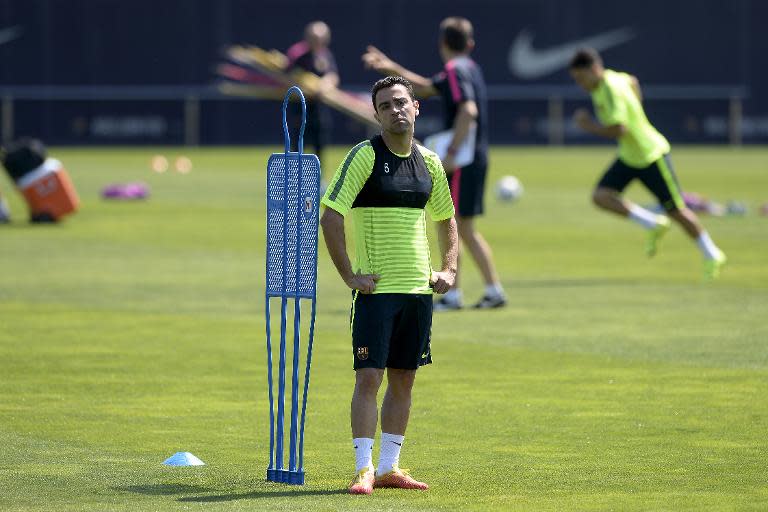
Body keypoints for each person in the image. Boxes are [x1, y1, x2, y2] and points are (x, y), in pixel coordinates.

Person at [320, 76, 458, 495]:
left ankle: (389, 467)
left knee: (404, 380)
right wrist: (349, 275)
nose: (395, 110)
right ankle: (363, 469)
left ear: (416, 108)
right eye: (385, 105)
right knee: (369, 377)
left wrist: (448, 270)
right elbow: (330, 215)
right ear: (376, 114)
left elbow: (447, 220)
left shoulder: (430, 163)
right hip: (376, 293)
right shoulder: (363, 157)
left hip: (417, 293)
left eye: (401, 102)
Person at [362, 16, 506, 310]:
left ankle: (464, 292)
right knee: (463, 226)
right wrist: (390, 66)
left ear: (442, 43)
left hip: (463, 159)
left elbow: (468, 109)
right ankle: (488, 290)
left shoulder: (455, 69)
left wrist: (452, 152)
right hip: (475, 156)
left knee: (454, 223)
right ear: (471, 44)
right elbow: (427, 87)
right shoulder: (469, 68)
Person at [568, 48, 727, 280]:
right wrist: (637, 110)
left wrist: (588, 126)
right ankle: (652, 224)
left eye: (581, 78)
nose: (580, 84)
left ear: (593, 70)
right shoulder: (611, 79)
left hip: (650, 155)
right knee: (601, 196)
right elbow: (633, 81)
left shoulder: (610, 89)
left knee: (676, 210)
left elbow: (620, 129)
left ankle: (712, 254)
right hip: (630, 156)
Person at [285, 21, 339, 172]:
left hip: (319, 108)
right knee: (296, 145)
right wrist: (305, 87)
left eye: (321, 38)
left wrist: (324, 86)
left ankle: (318, 180)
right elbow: (287, 76)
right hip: (299, 107)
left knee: (319, 145)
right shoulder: (297, 54)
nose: (318, 41)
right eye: (314, 38)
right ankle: (294, 178)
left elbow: (333, 76)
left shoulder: (325, 54)